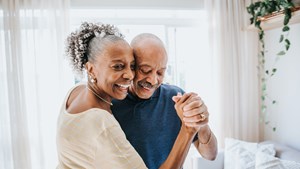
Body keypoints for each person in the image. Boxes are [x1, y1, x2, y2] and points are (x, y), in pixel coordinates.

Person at [112, 33, 218, 169]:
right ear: (131, 66)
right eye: (145, 70)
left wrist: (201, 121)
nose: (153, 80)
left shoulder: (175, 97)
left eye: (160, 73)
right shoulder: (111, 105)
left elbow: (211, 155)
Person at [56, 22, 147, 168]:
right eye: (118, 66)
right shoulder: (102, 122)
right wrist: (187, 132)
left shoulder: (75, 92)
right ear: (91, 69)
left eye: (132, 66)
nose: (130, 75)